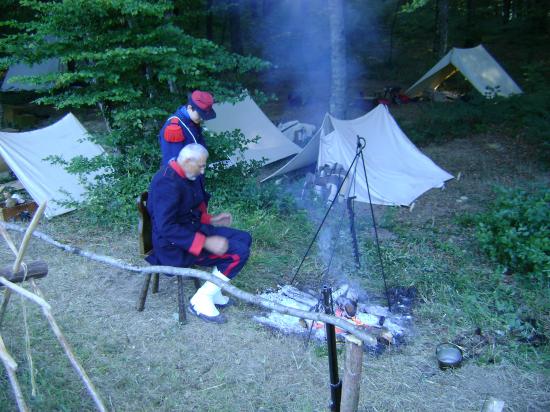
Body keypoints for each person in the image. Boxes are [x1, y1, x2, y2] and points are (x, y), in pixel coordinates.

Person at [145, 143, 252, 324]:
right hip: (174, 247)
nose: (202, 171)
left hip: (190, 231)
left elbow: (186, 213)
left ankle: (214, 290)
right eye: (201, 166)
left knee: (244, 238)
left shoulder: (183, 175)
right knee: (238, 253)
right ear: (187, 161)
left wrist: (211, 220)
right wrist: (205, 243)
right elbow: (167, 227)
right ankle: (200, 300)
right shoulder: (167, 183)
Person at [158, 90, 217, 167]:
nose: (202, 119)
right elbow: (174, 165)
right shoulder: (174, 128)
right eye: (200, 114)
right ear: (190, 108)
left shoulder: (193, 121)